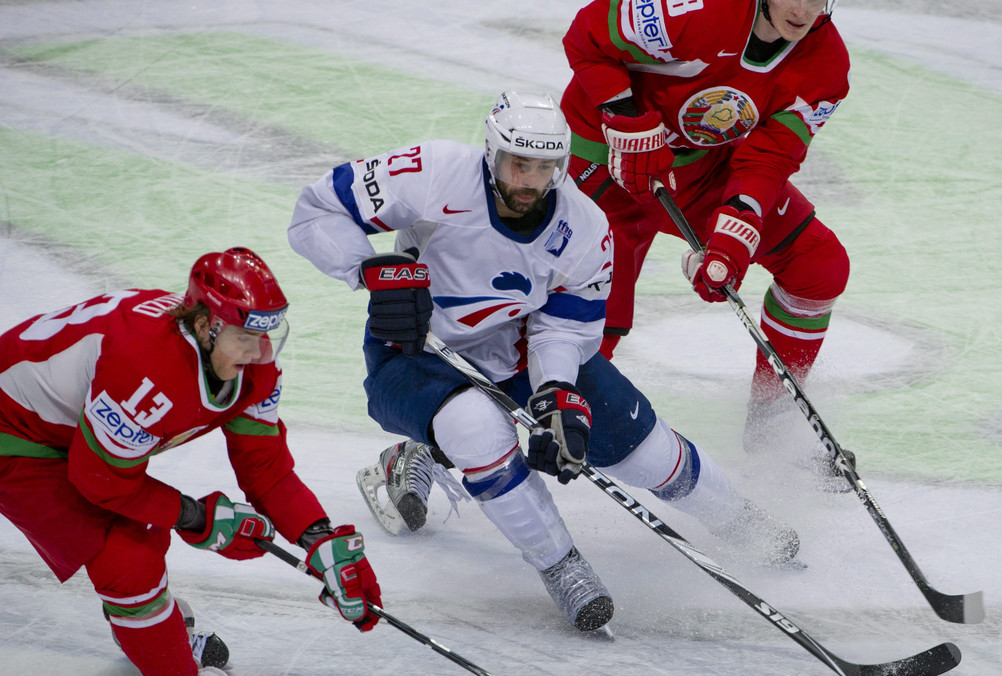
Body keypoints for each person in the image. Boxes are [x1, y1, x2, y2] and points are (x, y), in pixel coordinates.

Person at [288, 90, 800, 633]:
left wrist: (557, 391)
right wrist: (369, 269)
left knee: (642, 454)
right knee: (476, 428)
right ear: (491, 153)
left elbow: (566, 325)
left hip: (518, 342)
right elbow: (314, 212)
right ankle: (560, 564)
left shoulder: (582, 226)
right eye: (518, 163)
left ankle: (739, 519)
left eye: (544, 167)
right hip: (415, 344)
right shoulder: (433, 171)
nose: (529, 181)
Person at [0, 248, 383, 676]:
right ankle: (155, 638)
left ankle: (150, 628)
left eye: (267, 335)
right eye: (245, 336)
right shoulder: (145, 367)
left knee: (136, 542)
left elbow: (266, 469)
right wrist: (195, 516)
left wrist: (319, 537)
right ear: (204, 326)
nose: (260, 353)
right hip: (16, 433)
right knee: (129, 560)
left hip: (77, 429)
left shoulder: (250, 362)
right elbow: (99, 479)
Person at [559, 0, 853, 476]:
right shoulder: (700, 9)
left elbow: (768, 161)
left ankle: (772, 432)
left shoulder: (824, 63)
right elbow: (587, 36)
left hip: (697, 169)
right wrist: (627, 119)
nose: (802, 9)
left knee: (817, 264)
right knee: (579, 338)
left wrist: (734, 238)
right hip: (604, 162)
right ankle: (442, 444)